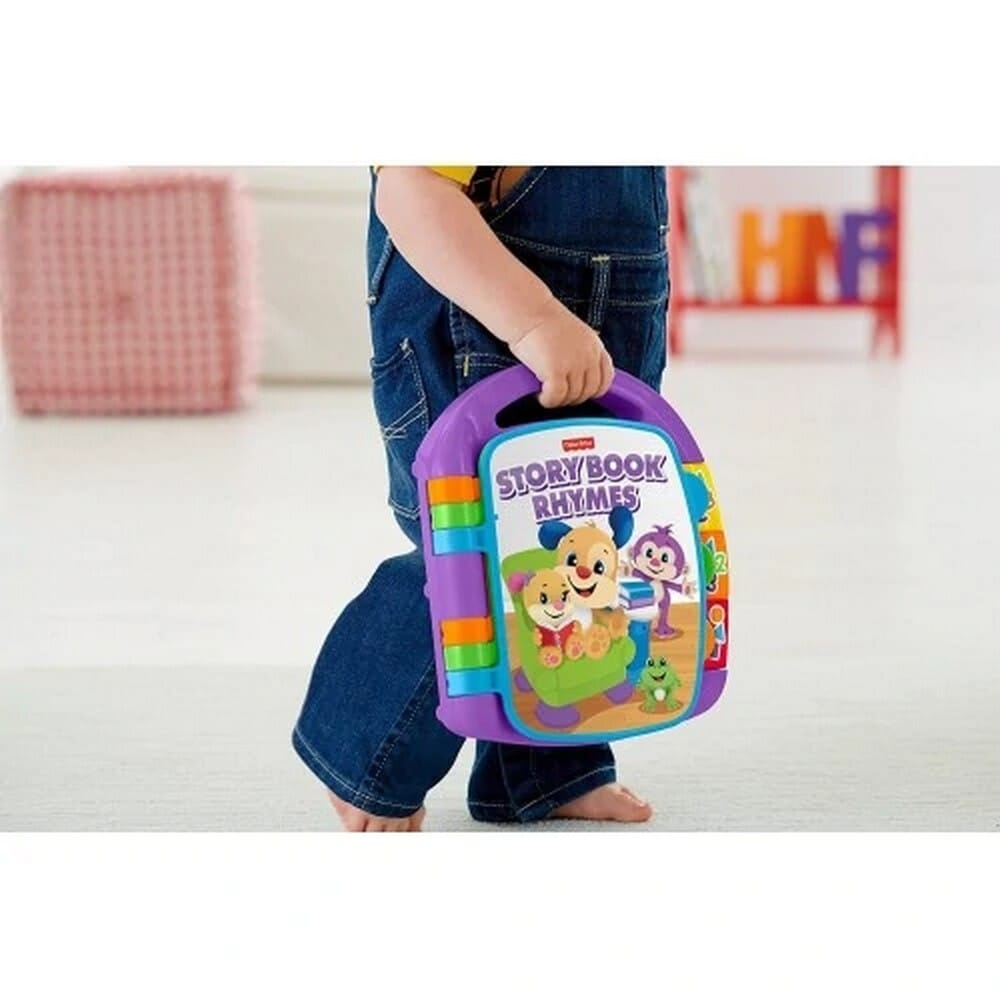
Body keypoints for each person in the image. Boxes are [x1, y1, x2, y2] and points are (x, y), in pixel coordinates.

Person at [292, 166, 670, 831]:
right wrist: (535, 322)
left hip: (600, 333)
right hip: (481, 329)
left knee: (581, 557)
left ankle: (548, 770)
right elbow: (410, 189)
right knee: (475, 553)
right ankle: (367, 755)